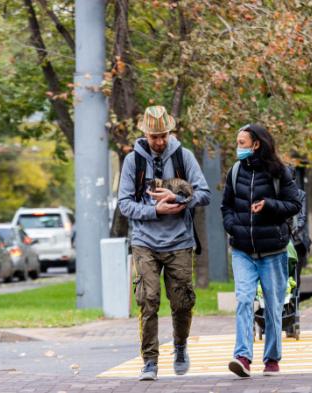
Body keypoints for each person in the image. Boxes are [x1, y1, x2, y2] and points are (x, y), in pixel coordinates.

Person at [118, 105, 211, 381]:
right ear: (145, 133)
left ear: (170, 132)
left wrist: (178, 199)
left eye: (163, 136)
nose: (159, 142)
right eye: (154, 136)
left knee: (182, 302)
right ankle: (149, 360)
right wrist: (154, 210)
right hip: (145, 242)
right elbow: (124, 204)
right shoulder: (133, 162)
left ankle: (180, 345)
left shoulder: (184, 157)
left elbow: (204, 193)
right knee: (148, 300)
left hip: (179, 242)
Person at [221, 124, 301, 378]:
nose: (238, 148)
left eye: (242, 143)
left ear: (256, 144)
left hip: (273, 251)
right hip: (243, 250)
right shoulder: (235, 172)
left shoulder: (280, 173)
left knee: (273, 306)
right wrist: (233, 227)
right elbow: (226, 207)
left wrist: (268, 206)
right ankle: (242, 356)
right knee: (244, 299)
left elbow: (294, 204)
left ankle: (272, 359)